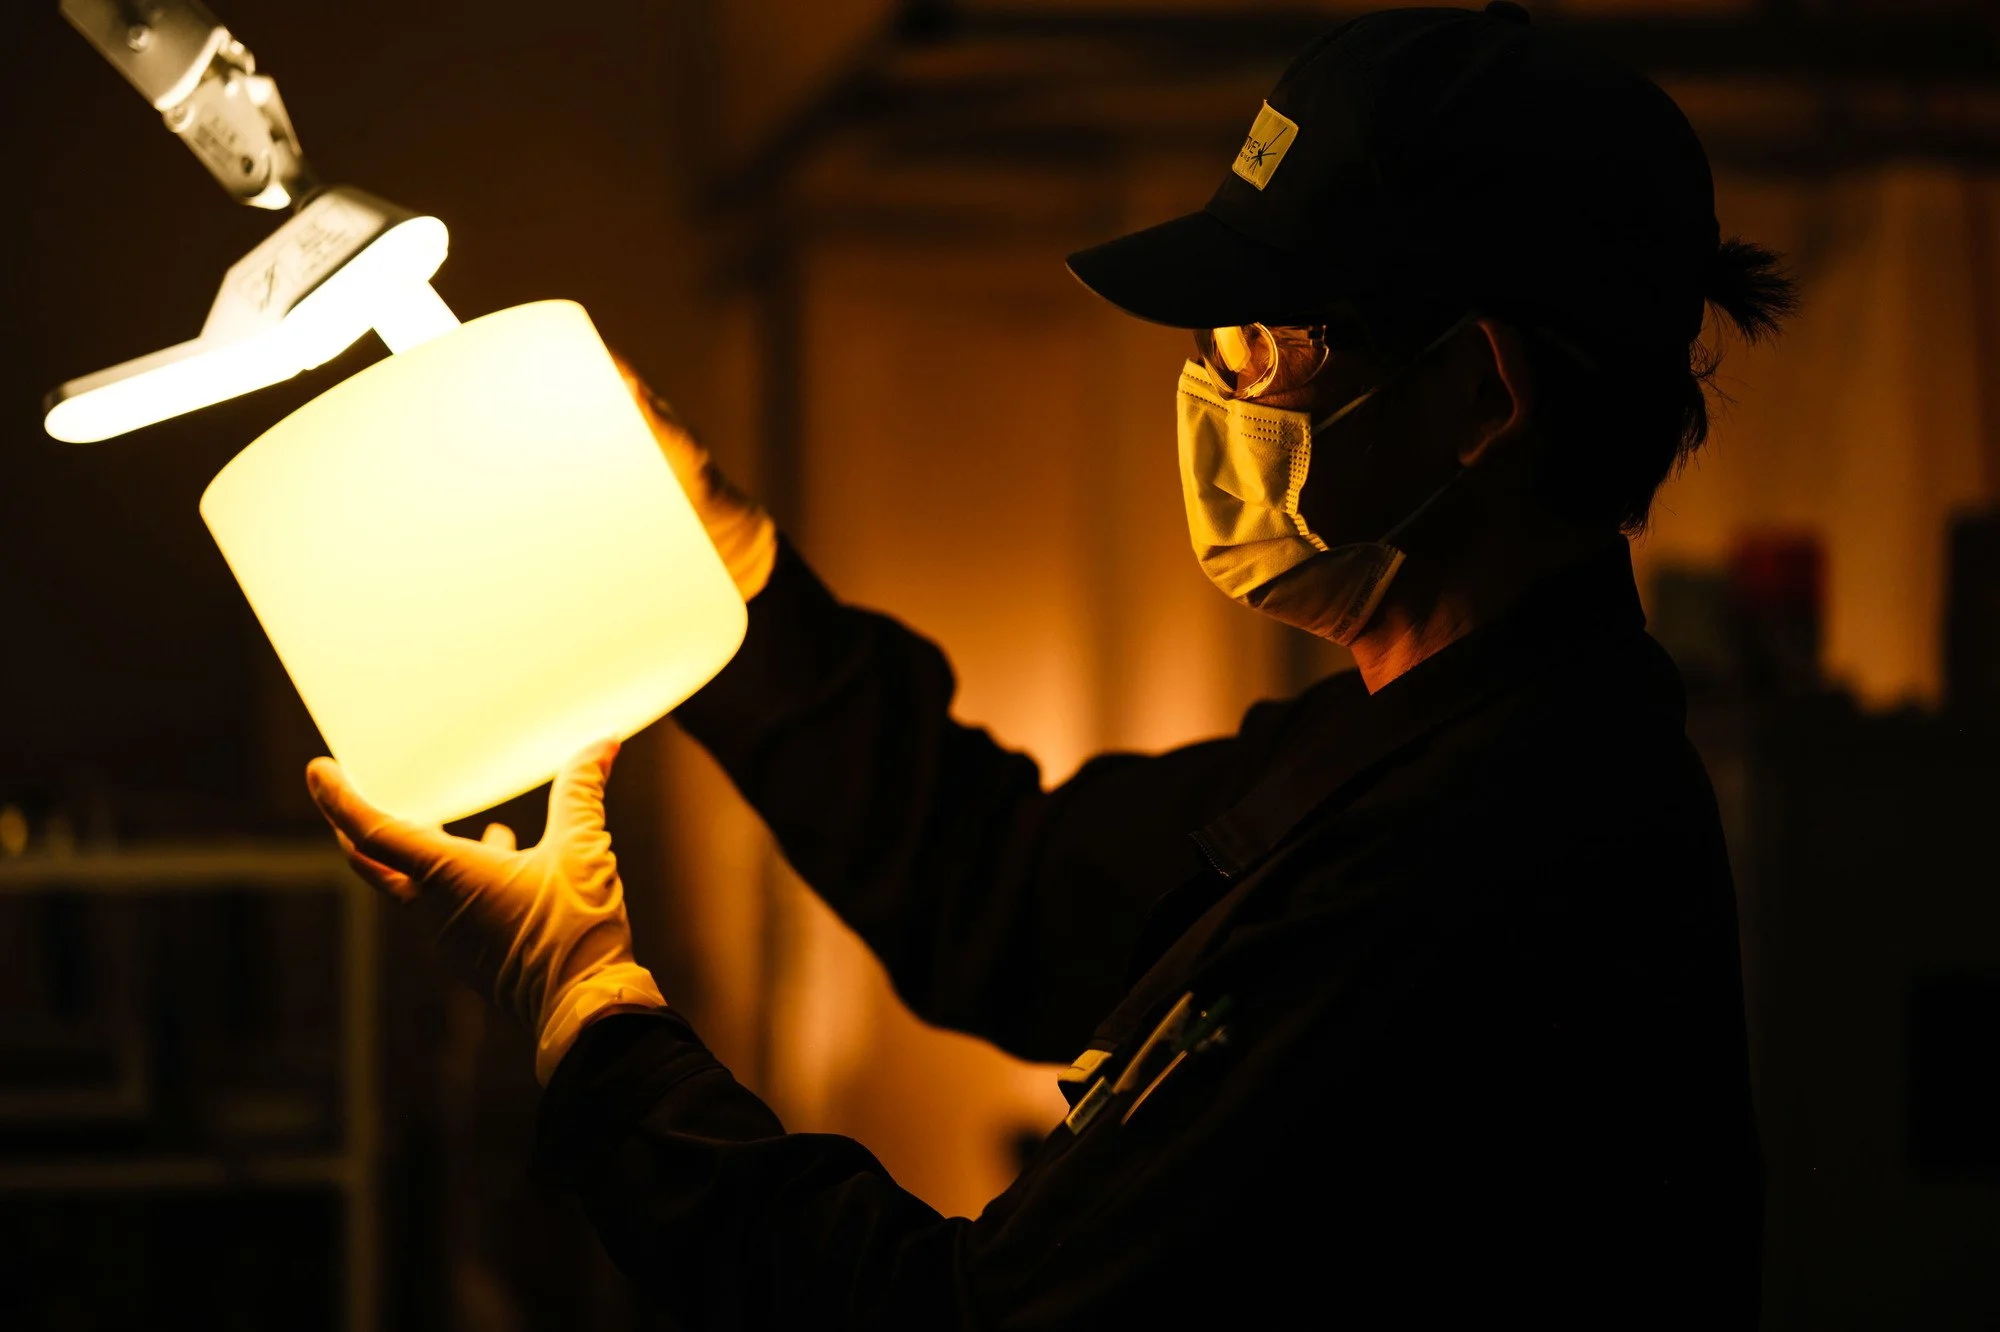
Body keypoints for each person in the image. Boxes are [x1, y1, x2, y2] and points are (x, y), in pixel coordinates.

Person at [308, 4, 1797, 1325]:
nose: (1211, 380)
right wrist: (728, 571)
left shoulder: (1482, 866)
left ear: (1478, 392)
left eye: (1264, 335)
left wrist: (587, 1009)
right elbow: (1005, 896)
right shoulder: (1387, 756)